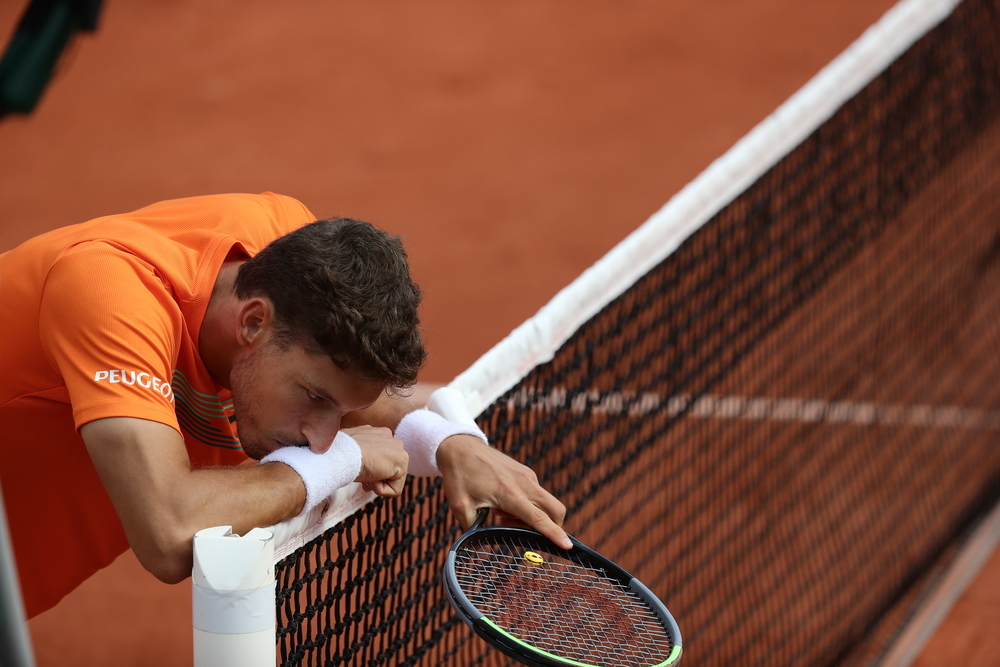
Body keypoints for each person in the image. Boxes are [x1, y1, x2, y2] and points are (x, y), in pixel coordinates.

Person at [0, 192, 570, 619]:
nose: (325, 433)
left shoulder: (286, 255)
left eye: (337, 412)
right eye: (315, 399)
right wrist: (337, 464)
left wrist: (452, 442)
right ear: (253, 321)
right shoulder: (111, 297)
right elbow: (169, 530)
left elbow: (365, 403)